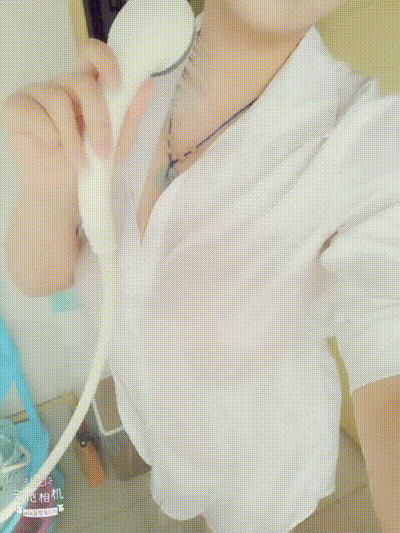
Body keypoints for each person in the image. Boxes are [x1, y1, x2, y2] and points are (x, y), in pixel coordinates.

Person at [3, 1, 399, 532]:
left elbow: (390, 392)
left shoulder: (373, 143)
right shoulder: (133, 63)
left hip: (262, 469)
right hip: (160, 429)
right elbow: (42, 278)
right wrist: (48, 192)